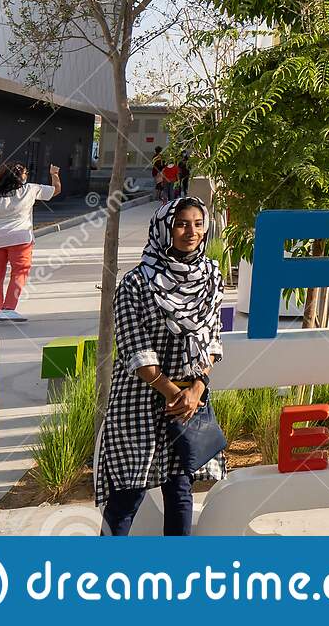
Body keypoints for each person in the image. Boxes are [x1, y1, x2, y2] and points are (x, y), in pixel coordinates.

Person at [95, 197, 224, 536]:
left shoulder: (210, 276)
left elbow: (212, 339)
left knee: (180, 490)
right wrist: (173, 393)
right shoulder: (137, 282)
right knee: (127, 492)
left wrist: (195, 390)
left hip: (188, 401)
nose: (190, 231)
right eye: (181, 223)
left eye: (198, 223)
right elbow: (134, 347)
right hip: (140, 399)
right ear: (164, 227)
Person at [0, 162, 60, 321]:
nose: (27, 175)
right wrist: (54, 174)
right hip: (21, 239)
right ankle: (9, 308)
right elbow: (56, 190)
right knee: (19, 273)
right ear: (21, 176)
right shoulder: (31, 189)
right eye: (25, 173)